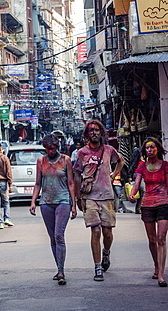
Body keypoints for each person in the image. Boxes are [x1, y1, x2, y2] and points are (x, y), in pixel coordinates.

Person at [74, 119, 125, 281]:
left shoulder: (109, 150)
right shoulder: (82, 153)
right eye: (91, 130)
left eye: (97, 130)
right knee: (95, 231)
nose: (94, 133)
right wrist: (78, 197)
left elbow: (121, 161)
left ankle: (106, 253)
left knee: (107, 233)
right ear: (86, 134)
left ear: (101, 132)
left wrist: (113, 174)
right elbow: (76, 174)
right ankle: (97, 267)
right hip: (89, 197)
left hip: (107, 196)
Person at [29, 134, 77, 285]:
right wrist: (33, 202)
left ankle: (61, 271)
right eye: (48, 149)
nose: (50, 151)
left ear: (57, 146)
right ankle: (59, 268)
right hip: (46, 203)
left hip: (63, 201)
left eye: (53, 148)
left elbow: (71, 182)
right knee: (52, 237)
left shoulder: (65, 160)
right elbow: (38, 183)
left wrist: (74, 204)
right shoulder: (41, 161)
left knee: (59, 235)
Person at [129, 137, 168, 287]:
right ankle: (157, 266)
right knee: (152, 240)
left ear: (158, 148)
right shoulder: (142, 167)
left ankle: (161, 275)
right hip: (147, 204)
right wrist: (133, 194)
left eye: (152, 147)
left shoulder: (165, 166)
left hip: (164, 203)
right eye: (147, 148)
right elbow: (137, 183)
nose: (150, 150)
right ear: (144, 151)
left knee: (161, 238)